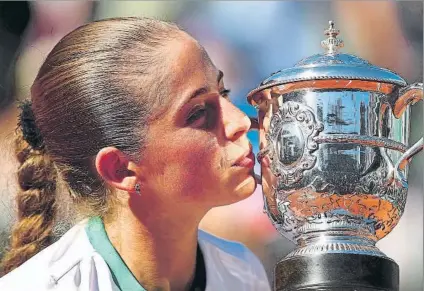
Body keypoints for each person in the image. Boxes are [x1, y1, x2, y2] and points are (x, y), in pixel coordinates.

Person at [0, 17, 270, 291]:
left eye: (223, 93)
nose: (241, 122)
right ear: (120, 169)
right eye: (198, 113)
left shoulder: (242, 273)